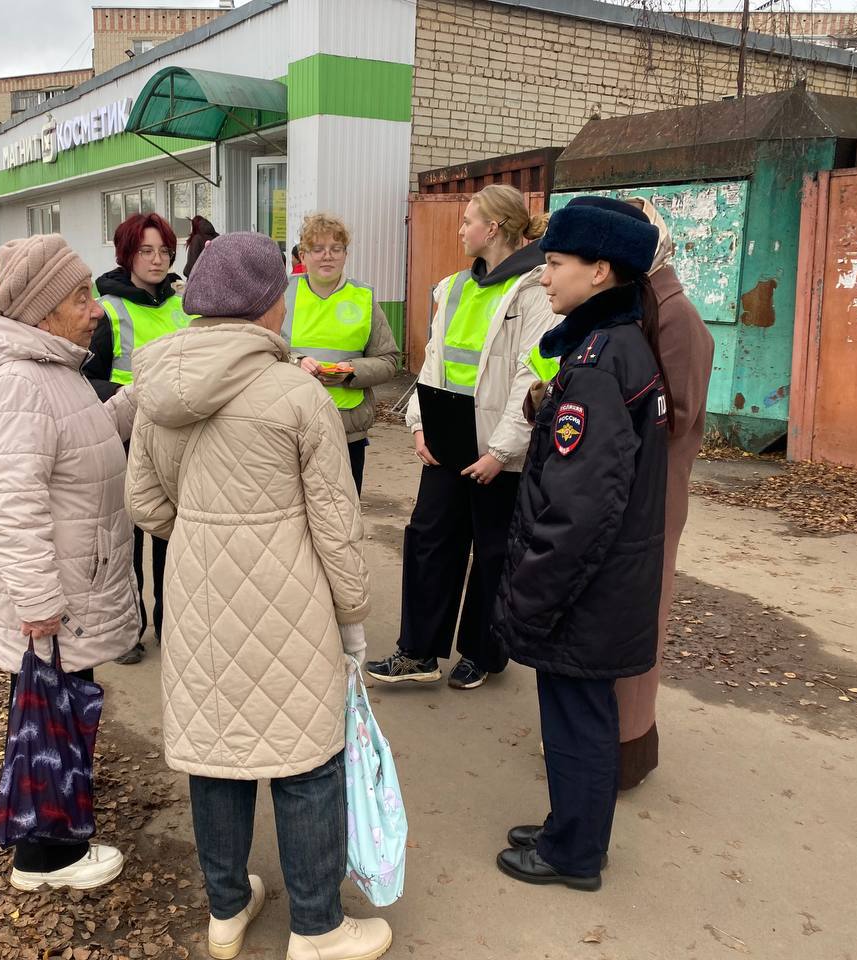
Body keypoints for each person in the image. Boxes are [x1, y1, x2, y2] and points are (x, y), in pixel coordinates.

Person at [126, 232, 392, 960]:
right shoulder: (298, 394)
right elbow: (336, 526)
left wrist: (207, 535)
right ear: (271, 304)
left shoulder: (154, 387)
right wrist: (353, 620)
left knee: (217, 751)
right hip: (291, 595)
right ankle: (317, 927)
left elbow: (144, 503)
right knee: (305, 757)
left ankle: (227, 909)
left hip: (196, 590)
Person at [491, 197, 670, 892]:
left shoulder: (599, 362)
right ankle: (572, 827)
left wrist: (530, 597)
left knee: (577, 722)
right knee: (579, 716)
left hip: (585, 588)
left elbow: (578, 510)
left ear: (600, 272)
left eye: (556, 264)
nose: (544, 278)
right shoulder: (613, 346)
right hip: (607, 580)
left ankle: (573, 854)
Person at [0, 233, 140, 893]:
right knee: (46, 716)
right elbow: (13, 505)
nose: (95, 309)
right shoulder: (17, 383)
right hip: (53, 600)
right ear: (40, 310)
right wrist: (38, 607)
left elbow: (85, 439)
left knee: (56, 713)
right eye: (80, 296)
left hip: (70, 589)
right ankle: (46, 859)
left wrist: (135, 395)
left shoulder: (52, 370)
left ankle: (54, 830)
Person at [366, 186, 556, 691]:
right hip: (447, 443)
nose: (461, 228)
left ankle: (483, 652)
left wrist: (502, 451)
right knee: (430, 542)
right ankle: (419, 652)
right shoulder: (453, 287)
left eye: (467, 220)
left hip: (499, 452)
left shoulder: (536, 293)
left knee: (494, 554)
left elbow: (532, 376)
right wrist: (418, 424)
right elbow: (433, 363)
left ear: (493, 228)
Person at [614, 198, 715, 790]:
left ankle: (627, 749)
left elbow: (671, 418)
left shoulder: (676, 318)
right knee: (615, 619)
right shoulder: (645, 305)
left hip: (651, 498)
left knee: (638, 622)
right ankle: (603, 740)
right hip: (628, 491)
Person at [94, 211, 190, 665]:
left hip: (176, 442)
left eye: (164, 251)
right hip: (127, 441)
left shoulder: (182, 305)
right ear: (126, 254)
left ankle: (173, 626)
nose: (157, 260)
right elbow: (86, 382)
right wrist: (135, 397)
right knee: (126, 541)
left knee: (172, 540)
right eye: (146, 251)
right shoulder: (107, 309)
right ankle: (128, 630)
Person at [284, 213, 401, 494]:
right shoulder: (283, 294)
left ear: (345, 254)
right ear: (303, 254)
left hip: (347, 429)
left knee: (342, 517)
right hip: (292, 425)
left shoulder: (363, 297)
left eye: (336, 249)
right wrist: (295, 361)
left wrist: (353, 371)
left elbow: (390, 359)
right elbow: (263, 350)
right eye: (318, 249)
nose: (327, 257)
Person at [182, 215, 219, 279]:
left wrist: (186, 272)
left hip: (199, 281)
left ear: (195, 226)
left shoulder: (197, 239)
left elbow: (192, 265)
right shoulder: (217, 237)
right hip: (216, 279)